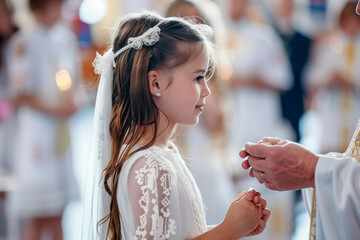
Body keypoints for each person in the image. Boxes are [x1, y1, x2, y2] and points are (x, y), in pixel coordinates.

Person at [82, 11, 270, 240]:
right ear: (156, 82)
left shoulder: (163, 153)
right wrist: (228, 230)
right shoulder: (149, 165)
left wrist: (238, 226)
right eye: (198, 78)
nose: (207, 90)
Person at [6, 0, 83, 239]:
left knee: (58, 210)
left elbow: (75, 83)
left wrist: (75, 102)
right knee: (39, 212)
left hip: (60, 128)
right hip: (37, 130)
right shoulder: (23, 42)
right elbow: (19, 94)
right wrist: (54, 108)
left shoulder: (66, 38)